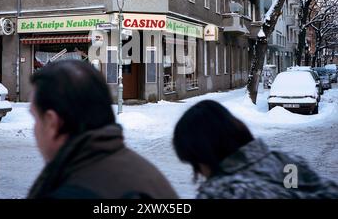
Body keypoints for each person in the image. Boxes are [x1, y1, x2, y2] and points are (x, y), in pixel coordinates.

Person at [27, 60, 178, 199]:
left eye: (35, 118)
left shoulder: (74, 191)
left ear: (52, 122)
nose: (34, 129)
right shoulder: (146, 172)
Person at [173, 100, 338, 199]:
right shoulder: (287, 163)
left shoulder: (222, 192)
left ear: (203, 154)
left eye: (194, 162)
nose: (199, 173)